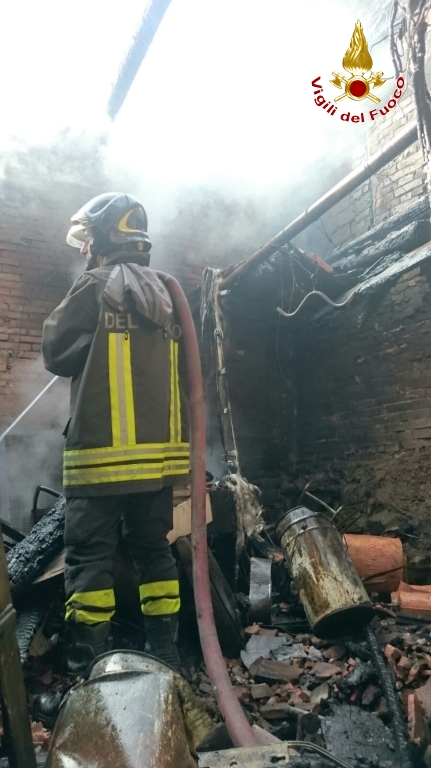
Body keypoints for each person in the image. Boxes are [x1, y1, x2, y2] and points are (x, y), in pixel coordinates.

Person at [42, 192, 190, 675]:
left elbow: (55, 352)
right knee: (155, 555)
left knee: (89, 563)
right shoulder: (170, 295)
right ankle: (164, 658)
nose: (84, 250)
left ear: (107, 236)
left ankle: (86, 673)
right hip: (159, 463)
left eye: (89, 239)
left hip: (101, 462)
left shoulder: (97, 286)